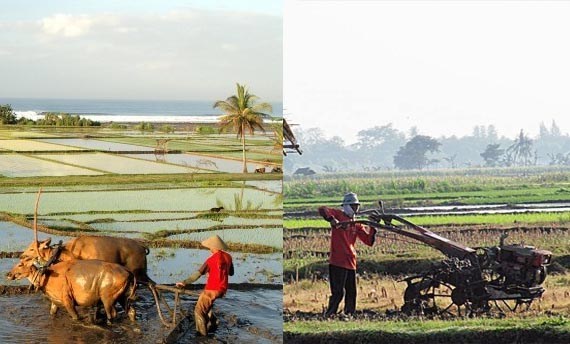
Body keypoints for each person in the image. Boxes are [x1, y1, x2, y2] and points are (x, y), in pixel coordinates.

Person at [318, 192, 376, 317]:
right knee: (338, 292)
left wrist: (373, 227)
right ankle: (330, 314)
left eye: (357, 206)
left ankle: (349, 314)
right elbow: (322, 209)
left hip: (351, 261)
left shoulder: (356, 223)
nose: (355, 209)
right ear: (346, 206)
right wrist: (332, 219)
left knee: (352, 292)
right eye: (353, 206)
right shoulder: (338, 214)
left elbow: (368, 241)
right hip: (338, 261)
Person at [176, 235, 234, 336]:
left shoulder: (211, 260)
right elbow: (231, 273)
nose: (209, 249)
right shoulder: (228, 257)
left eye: (210, 247)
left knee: (198, 311)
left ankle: (202, 336)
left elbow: (198, 274)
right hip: (222, 290)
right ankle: (213, 322)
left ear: (214, 247)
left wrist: (184, 282)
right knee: (206, 307)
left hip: (211, 290)